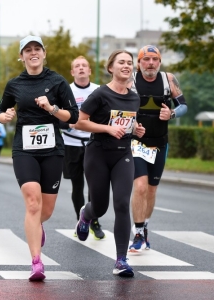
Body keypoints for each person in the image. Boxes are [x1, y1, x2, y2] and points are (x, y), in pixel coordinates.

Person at [0, 35, 78, 281]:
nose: (33, 53)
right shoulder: (14, 84)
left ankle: (37, 226)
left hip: (53, 150)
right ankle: (36, 262)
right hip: (24, 149)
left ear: (44, 53)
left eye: (37, 49)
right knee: (33, 202)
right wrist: (4, 117)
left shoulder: (57, 82)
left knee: (46, 209)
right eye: (27, 50)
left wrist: (51, 108)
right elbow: (0, 110)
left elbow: (72, 117)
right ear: (21, 56)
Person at [74, 50, 145, 277]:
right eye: (121, 62)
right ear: (110, 67)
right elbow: (79, 122)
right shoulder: (99, 94)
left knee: (123, 204)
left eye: (130, 63)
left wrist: (137, 130)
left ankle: (121, 260)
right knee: (100, 207)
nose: (126, 66)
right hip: (97, 154)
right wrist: (107, 128)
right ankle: (86, 215)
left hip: (123, 154)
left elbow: (129, 125)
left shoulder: (135, 97)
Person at [127, 45, 188, 252]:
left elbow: (183, 106)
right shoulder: (131, 80)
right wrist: (130, 124)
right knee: (141, 187)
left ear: (159, 62)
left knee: (152, 190)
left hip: (160, 143)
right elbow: (117, 105)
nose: (150, 63)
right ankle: (136, 233)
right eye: (146, 59)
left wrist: (171, 114)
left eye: (154, 59)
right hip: (136, 144)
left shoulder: (168, 79)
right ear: (139, 62)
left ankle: (144, 227)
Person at [60, 56, 105, 240]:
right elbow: (57, 117)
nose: (80, 68)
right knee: (77, 186)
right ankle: (81, 221)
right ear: (72, 72)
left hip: (93, 143)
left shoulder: (99, 91)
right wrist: (68, 124)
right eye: (76, 66)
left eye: (84, 65)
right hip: (71, 144)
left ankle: (93, 221)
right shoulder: (65, 91)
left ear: (89, 70)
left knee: (94, 186)